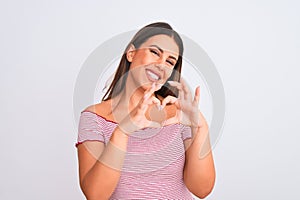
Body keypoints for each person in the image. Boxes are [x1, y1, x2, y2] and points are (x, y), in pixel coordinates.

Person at [76, 22, 215, 199]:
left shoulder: (179, 116)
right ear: (131, 53)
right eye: (155, 52)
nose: (161, 64)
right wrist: (123, 131)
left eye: (169, 61)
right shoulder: (95, 118)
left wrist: (200, 128)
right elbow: (95, 195)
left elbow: (201, 189)